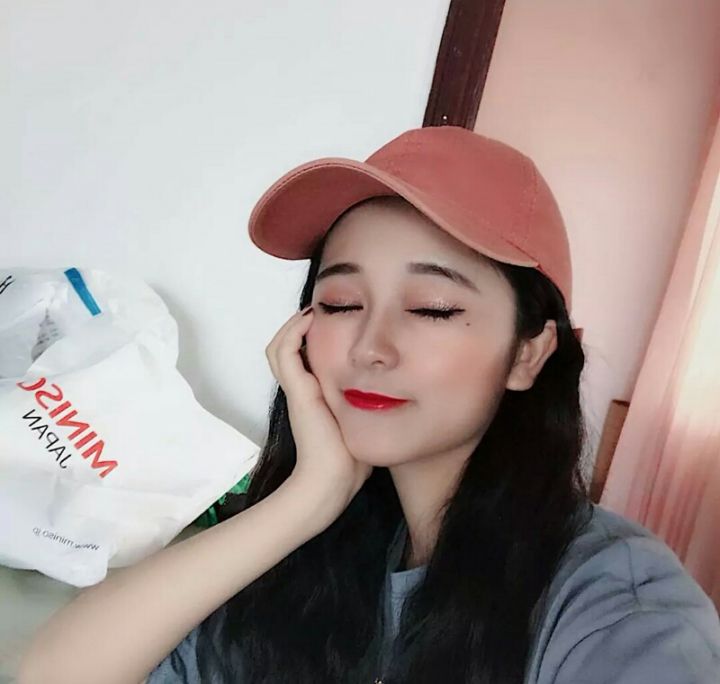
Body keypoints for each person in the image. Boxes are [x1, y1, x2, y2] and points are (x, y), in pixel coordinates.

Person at [19, 126, 720, 684]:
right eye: (340, 302)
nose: (370, 347)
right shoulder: (316, 558)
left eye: (432, 308)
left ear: (527, 354)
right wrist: (308, 497)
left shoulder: (617, 605)